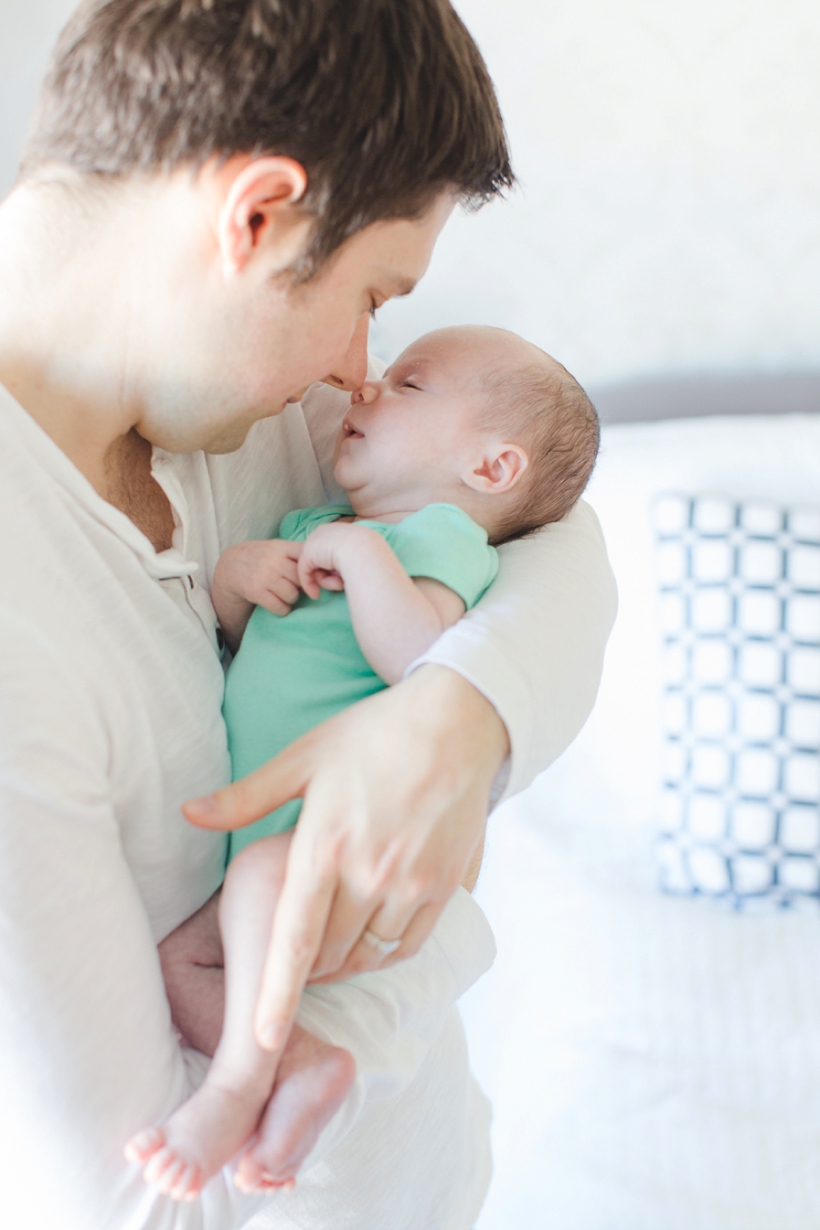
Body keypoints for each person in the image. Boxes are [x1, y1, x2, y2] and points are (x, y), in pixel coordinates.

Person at [0, 1, 617, 1227]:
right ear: (257, 217)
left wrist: (458, 723)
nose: (356, 366)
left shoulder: (239, 401)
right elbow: (137, 1203)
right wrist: (360, 1011)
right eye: (369, 295)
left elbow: (560, 541)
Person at [126, 326, 600, 1200]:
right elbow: (259, 647)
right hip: (252, 846)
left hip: (328, 842)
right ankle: (302, 1065)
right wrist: (239, 579)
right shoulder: (321, 526)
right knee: (180, 963)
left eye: (411, 384)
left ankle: (238, 1086)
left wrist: (358, 554)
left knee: (268, 884)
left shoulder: (441, 540)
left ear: (491, 470)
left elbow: (422, 658)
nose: (370, 385)